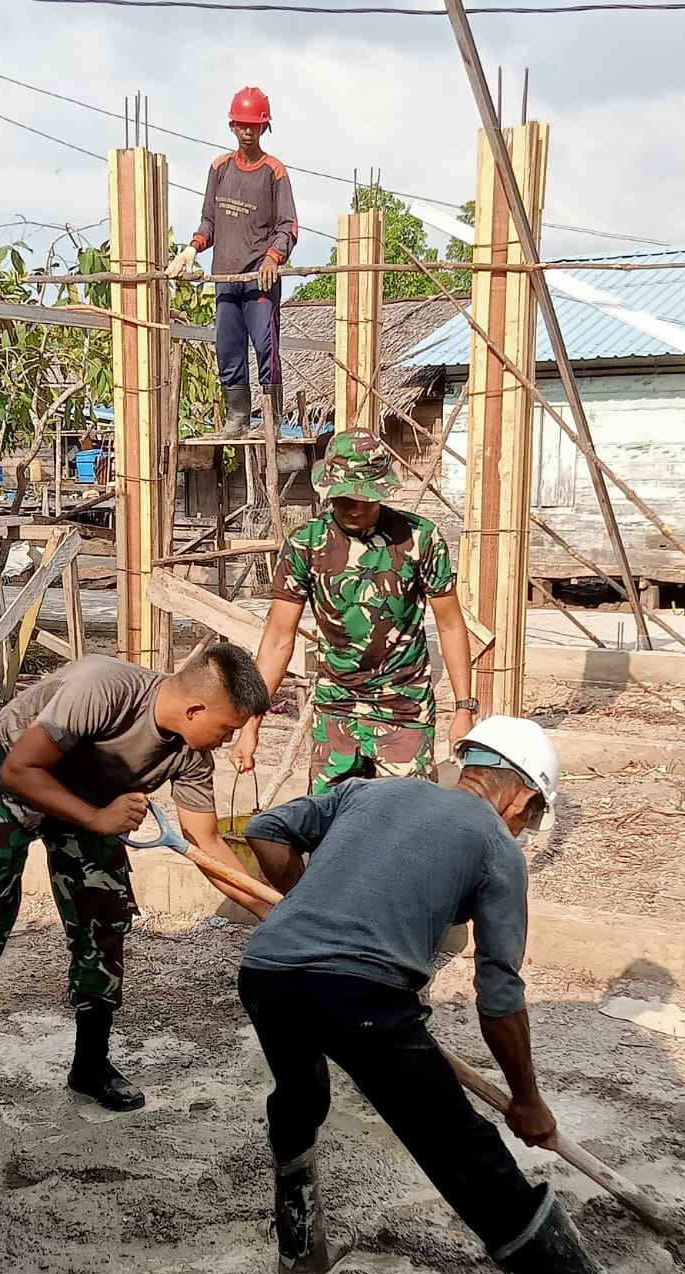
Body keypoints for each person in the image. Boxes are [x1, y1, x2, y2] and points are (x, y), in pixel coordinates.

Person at [237, 716, 670, 1274]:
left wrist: (305, 904)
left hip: (267, 971)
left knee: (299, 1097)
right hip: (361, 997)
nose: (525, 827)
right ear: (522, 795)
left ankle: (300, 1251)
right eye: (533, 815)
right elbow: (498, 996)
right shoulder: (495, 845)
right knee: (454, 1139)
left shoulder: (371, 790)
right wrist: (526, 1100)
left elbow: (266, 829)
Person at [0, 645, 271, 1121]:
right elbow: (21, 769)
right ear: (195, 709)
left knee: (105, 918)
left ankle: (91, 1064)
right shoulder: (103, 689)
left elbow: (206, 845)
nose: (229, 740)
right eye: (228, 728)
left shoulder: (193, 753)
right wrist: (98, 819)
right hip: (13, 779)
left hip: (93, 802)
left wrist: (272, 913)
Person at [231, 430, 478, 792]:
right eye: (342, 496)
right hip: (337, 709)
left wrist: (463, 709)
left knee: (407, 823)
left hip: (403, 709)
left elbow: (451, 626)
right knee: (329, 825)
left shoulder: (420, 539)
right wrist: (251, 724)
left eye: (364, 497)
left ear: (382, 491)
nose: (353, 507)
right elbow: (278, 640)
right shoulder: (306, 544)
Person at [167, 86, 298, 439]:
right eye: (242, 125)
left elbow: (288, 226)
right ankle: (237, 418)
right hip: (226, 278)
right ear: (232, 126)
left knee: (266, 348)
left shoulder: (274, 171)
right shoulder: (219, 168)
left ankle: (270, 422)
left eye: (254, 126)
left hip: (260, 281)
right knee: (228, 350)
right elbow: (209, 221)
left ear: (263, 128)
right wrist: (192, 249)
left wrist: (273, 257)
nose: (247, 132)